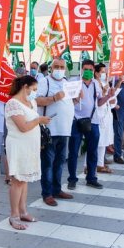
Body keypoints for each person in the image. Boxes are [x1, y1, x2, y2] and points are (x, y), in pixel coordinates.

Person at [5, 76, 50, 229]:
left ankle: (23, 211)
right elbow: (23, 127)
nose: (35, 93)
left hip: (30, 145)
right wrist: (39, 120)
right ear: (25, 87)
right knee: (17, 180)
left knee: (25, 180)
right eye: (34, 89)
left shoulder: (32, 102)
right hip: (18, 145)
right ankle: (14, 215)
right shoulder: (13, 103)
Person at [67, 59, 115, 190]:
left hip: (92, 120)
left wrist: (108, 97)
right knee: (73, 151)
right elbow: (66, 102)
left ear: (93, 71)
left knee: (93, 151)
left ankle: (91, 178)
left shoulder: (95, 84)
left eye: (90, 69)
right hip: (75, 120)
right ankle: (72, 179)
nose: (88, 72)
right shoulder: (73, 82)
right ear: (81, 69)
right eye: (85, 69)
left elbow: (99, 102)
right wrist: (76, 98)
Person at [36, 58, 75, 206]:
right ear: (51, 68)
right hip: (50, 130)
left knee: (59, 162)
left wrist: (76, 99)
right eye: (56, 67)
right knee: (48, 163)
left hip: (64, 129)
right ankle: (47, 193)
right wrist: (53, 98)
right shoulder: (44, 82)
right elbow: (37, 100)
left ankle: (57, 189)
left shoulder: (66, 82)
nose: (59, 69)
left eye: (62, 67)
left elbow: (69, 102)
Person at [94, 63, 115, 173]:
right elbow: (98, 101)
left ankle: (100, 164)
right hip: (98, 116)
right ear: (96, 73)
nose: (105, 75)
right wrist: (104, 92)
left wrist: (111, 99)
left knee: (104, 141)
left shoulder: (104, 83)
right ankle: (90, 165)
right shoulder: (95, 84)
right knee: (98, 141)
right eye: (102, 72)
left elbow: (108, 100)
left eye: (106, 73)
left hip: (106, 114)